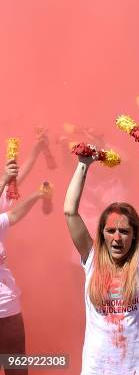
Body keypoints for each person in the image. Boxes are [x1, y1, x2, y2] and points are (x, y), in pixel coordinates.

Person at [64, 135, 139, 374]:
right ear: (101, 233)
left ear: (135, 234)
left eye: (124, 231)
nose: (117, 238)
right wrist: (83, 165)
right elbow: (70, 211)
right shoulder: (92, 260)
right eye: (110, 231)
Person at [0, 160, 51, 375]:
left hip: (9, 309)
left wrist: (38, 194)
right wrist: (3, 180)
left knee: (17, 369)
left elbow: (14, 215)